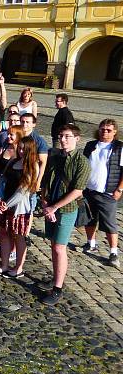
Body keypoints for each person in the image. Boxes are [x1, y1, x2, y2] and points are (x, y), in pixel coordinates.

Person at [40, 124, 90, 305]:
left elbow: (77, 190)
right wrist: (45, 202)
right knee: (53, 245)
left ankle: (58, 289)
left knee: (60, 248)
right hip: (50, 207)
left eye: (67, 136)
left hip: (67, 210)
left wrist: (54, 207)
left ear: (77, 139)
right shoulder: (54, 156)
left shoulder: (81, 162)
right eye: (61, 136)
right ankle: (55, 278)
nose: (63, 140)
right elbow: (45, 181)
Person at [82, 119, 123, 267]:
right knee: (89, 219)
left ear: (115, 132)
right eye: (102, 129)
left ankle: (113, 253)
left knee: (109, 223)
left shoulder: (119, 147)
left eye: (108, 130)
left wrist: (119, 189)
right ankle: (90, 243)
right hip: (89, 190)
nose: (104, 132)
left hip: (108, 191)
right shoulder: (91, 145)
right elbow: (84, 165)